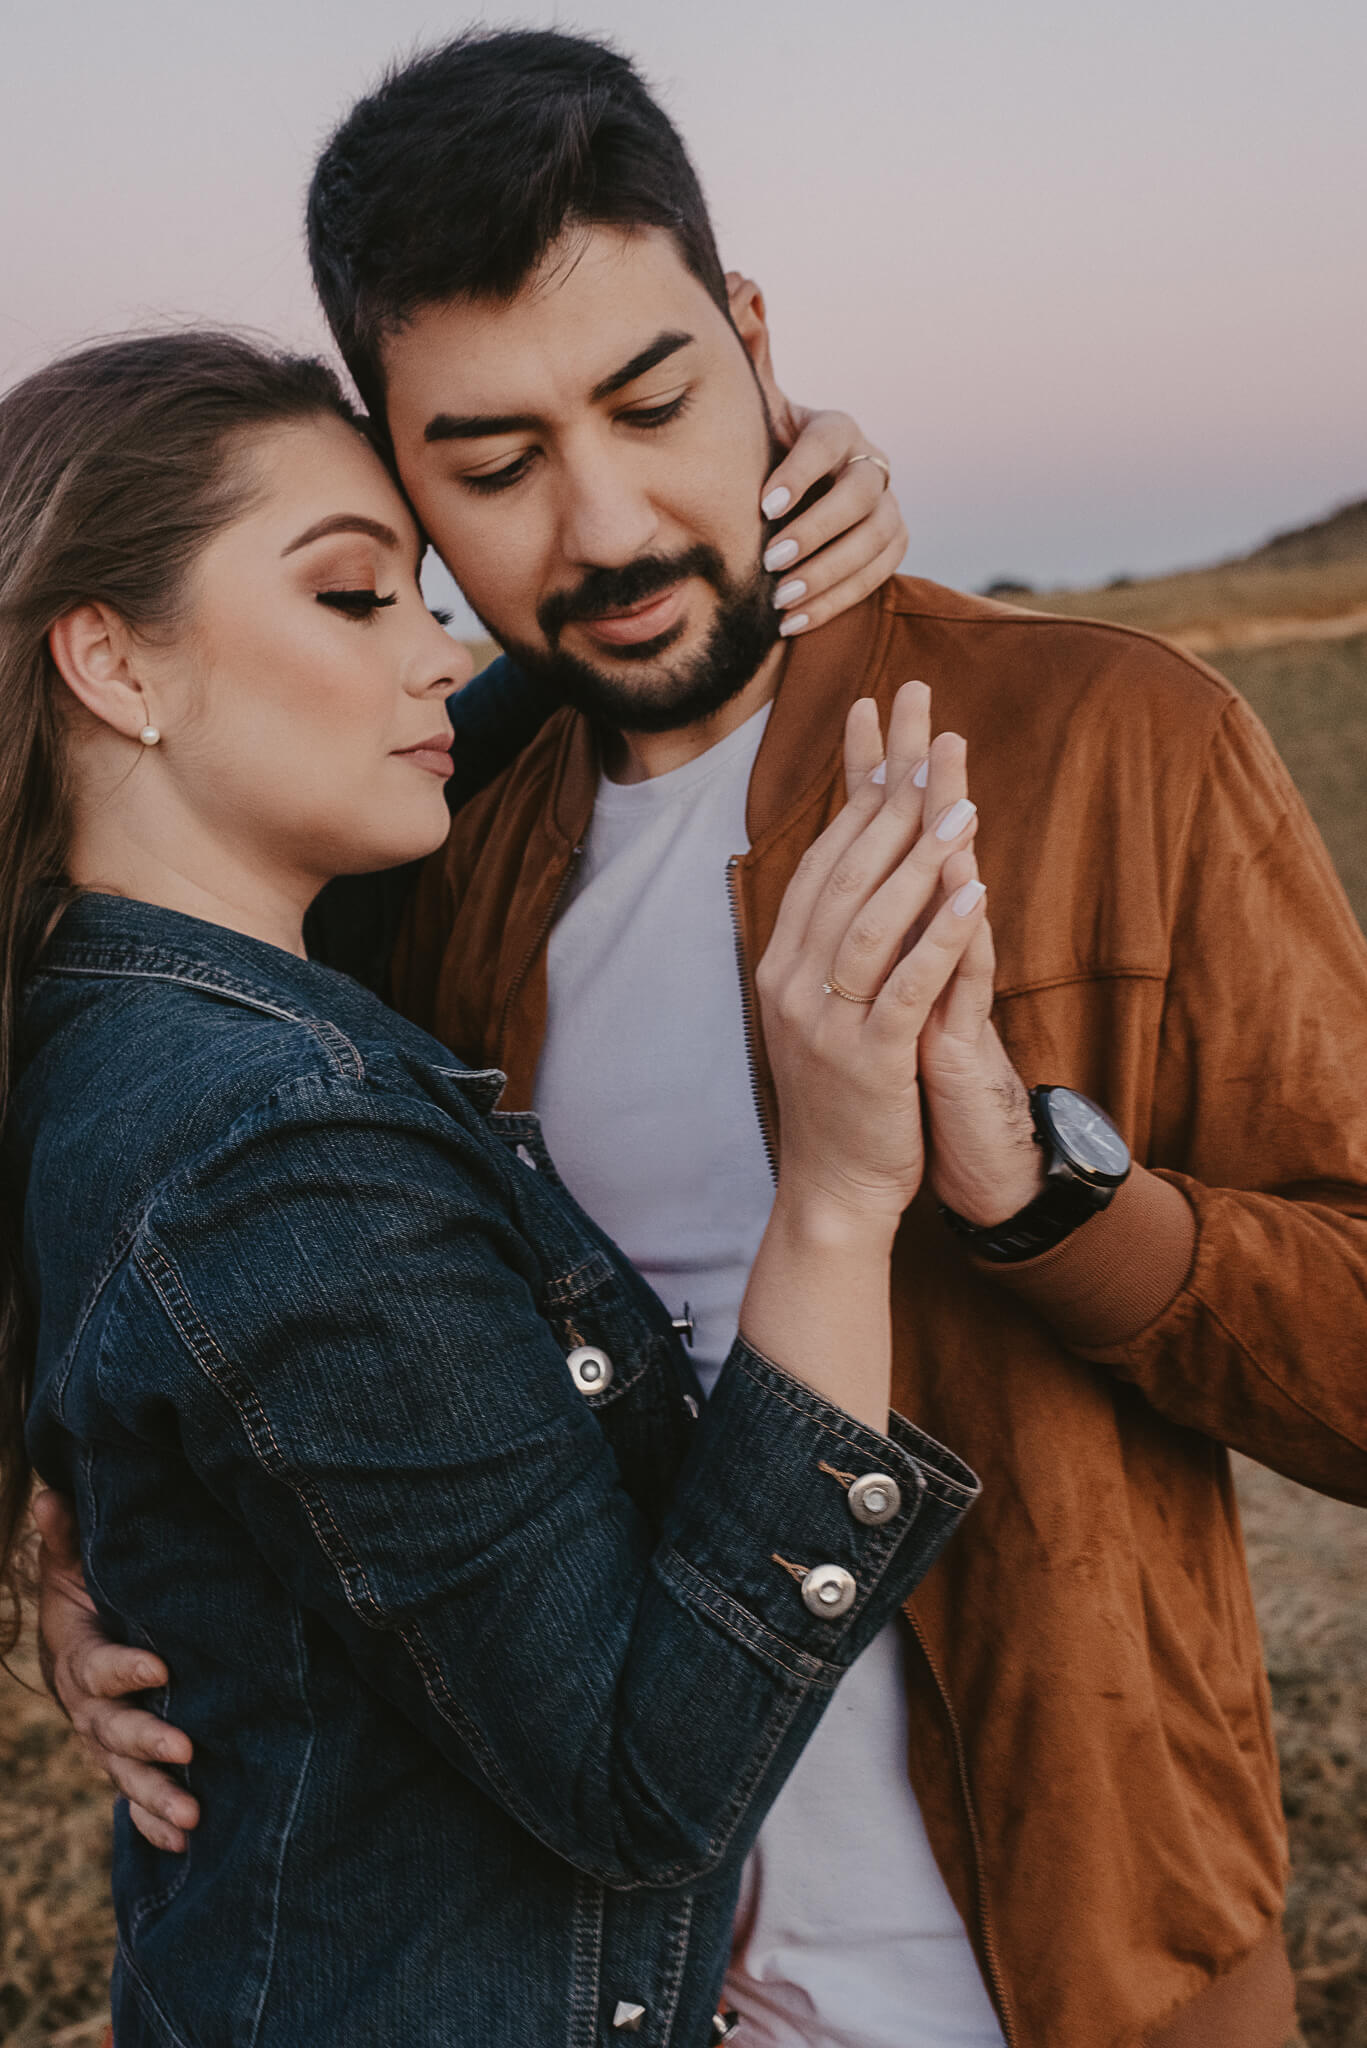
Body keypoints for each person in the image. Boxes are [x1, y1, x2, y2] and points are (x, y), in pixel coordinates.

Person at [43, 24, 1367, 2048]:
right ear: (402, 481)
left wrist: (1052, 1200)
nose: (606, 525)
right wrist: (98, 1546)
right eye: (492, 467)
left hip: (1076, 1978)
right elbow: (199, 1268)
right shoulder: (421, 848)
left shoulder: (1114, 738)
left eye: (657, 400)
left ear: (756, 341)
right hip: (591, 1994)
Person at [3, 330, 984, 2048]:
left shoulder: (92, 1017)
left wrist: (766, 508)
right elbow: (640, 1781)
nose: (438, 656)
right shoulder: (284, 1146)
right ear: (108, 658)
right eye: (354, 596)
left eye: (429, 596)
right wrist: (838, 1193)